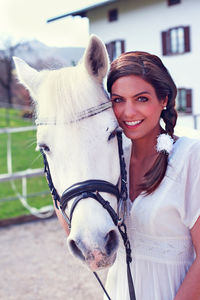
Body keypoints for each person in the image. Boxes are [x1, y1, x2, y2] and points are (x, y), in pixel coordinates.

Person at [105, 51, 200, 300]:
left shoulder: (191, 156)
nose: (128, 111)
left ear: (164, 99)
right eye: (118, 100)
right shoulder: (114, 160)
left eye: (141, 98)